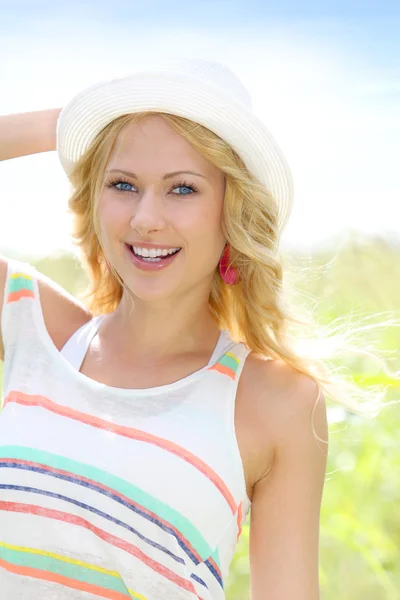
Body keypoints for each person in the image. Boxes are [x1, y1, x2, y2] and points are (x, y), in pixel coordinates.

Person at [0, 58, 330, 600]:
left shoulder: (274, 401)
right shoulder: (36, 329)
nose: (145, 218)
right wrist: (67, 123)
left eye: (182, 189)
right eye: (123, 183)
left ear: (233, 210)